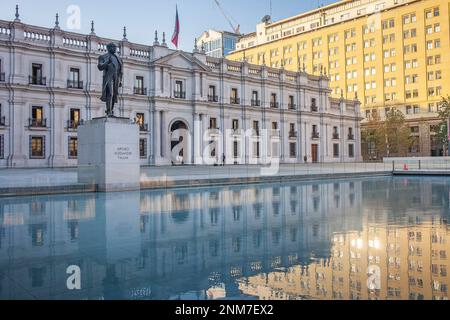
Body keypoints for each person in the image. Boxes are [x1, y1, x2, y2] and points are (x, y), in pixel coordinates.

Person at [98, 43, 123, 117]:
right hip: (109, 77)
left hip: (116, 77)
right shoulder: (103, 56)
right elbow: (100, 67)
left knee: (114, 95)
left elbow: (120, 70)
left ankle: (111, 110)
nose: (115, 49)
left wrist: (120, 80)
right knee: (110, 93)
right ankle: (108, 111)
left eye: (115, 47)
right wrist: (106, 62)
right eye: (113, 47)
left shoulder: (118, 58)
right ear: (109, 48)